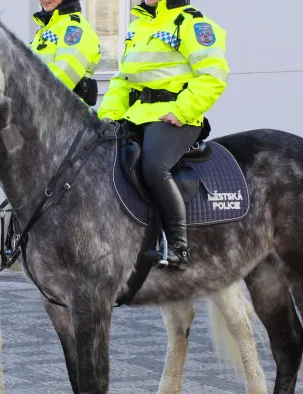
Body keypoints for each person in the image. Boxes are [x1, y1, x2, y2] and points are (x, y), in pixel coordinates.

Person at [98, 0, 229, 271]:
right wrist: (109, 113)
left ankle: (179, 246)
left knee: (154, 167)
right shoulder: (138, 27)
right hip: (136, 114)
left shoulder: (194, 24)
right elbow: (123, 80)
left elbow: (213, 75)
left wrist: (182, 110)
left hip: (175, 115)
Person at [31, 0, 101, 106]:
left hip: (65, 114)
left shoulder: (74, 28)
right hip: (42, 112)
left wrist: (25, 95)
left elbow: (63, 75)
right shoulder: (47, 28)